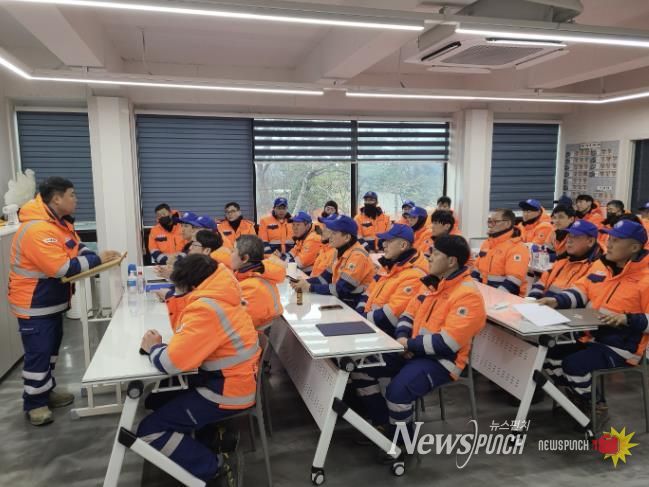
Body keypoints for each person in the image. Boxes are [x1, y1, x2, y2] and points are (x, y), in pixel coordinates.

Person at [351, 236, 486, 459]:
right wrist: (403, 340)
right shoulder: (432, 284)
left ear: (451, 261)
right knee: (360, 367)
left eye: (435, 253)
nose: (429, 257)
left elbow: (448, 343)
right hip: (412, 351)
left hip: (442, 361)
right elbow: (407, 315)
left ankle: (403, 445)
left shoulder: (467, 295)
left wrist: (410, 345)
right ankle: (382, 424)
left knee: (398, 392)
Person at [137, 254, 259, 485]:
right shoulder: (221, 294)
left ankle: (213, 468)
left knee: (149, 430)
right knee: (155, 399)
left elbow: (170, 363)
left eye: (177, 288)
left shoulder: (206, 308)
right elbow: (185, 337)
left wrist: (154, 348)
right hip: (229, 380)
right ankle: (211, 438)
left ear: (192, 286)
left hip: (228, 391)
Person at [8, 177, 120, 426]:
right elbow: (61, 267)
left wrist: (92, 255)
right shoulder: (37, 230)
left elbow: (77, 248)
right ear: (57, 199)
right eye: (72, 194)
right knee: (39, 355)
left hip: (51, 302)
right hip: (34, 304)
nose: (76, 199)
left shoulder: (59, 224)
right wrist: (98, 259)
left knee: (50, 353)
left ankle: (46, 392)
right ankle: (35, 404)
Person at [538, 220, 649, 414]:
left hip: (622, 346)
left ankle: (593, 405)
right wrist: (556, 300)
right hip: (591, 336)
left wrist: (627, 319)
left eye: (616, 240)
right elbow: (581, 290)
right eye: (609, 238)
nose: (609, 244)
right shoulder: (601, 266)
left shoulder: (646, 278)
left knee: (574, 365)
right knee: (549, 354)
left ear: (634, 247)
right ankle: (576, 396)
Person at [355, 224, 427, 335]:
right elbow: (368, 293)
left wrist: (361, 320)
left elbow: (391, 316)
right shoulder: (390, 265)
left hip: (387, 335)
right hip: (370, 326)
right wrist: (359, 313)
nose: (384, 244)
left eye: (389, 241)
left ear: (403, 245)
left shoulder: (415, 275)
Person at [290, 215, 374, 308]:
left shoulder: (358, 256)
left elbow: (341, 289)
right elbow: (324, 279)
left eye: (334, 233)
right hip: (341, 301)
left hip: (354, 305)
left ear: (347, 237)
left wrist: (310, 287)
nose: (330, 236)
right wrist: (302, 283)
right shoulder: (338, 251)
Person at [528, 220, 602, 299]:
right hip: (543, 305)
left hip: (562, 307)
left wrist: (555, 302)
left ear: (590, 241)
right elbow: (542, 282)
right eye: (569, 236)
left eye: (575, 236)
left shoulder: (597, 269)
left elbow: (582, 297)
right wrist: (533, 299)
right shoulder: (561, 261)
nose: (569, 240)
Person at [232, 235, 285, 333]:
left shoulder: (252, 287)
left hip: (256, 337)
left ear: (244, 258)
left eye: (233, 251)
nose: (229, 255)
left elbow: (238, 325)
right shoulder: (254, 276)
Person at [472, 209, 530, 296]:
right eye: (490, 222)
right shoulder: (487, 243)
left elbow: (513, 283)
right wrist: (473, 291)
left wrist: (491, 298)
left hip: (507, 298)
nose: (490, 225)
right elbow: (476, 271)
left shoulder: (518, 248)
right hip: (484, 294)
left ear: (507, 224)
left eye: (495, 222)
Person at [308, 217, 337, 286]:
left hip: (319, 289)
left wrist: (307, 284)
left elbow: (326, 281)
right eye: (323, 226)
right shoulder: (323, 249)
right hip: (314, 286)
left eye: (326, 227)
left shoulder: (335, 252)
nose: (323, 230)